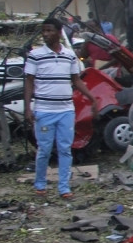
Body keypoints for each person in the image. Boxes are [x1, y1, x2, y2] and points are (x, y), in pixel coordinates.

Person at [23, 17, 98, 199]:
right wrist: (28, 108)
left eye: (50, 30)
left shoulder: (69, 55)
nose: (46, 34)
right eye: (44, 31)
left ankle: (64, 188)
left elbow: (76, 80)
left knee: (65, 149)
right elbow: (29, 82)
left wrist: (91, 98)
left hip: (65, 111)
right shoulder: (35, 55)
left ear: (58, 32)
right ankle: (40, 184)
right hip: (44, 111)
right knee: (45, 149)